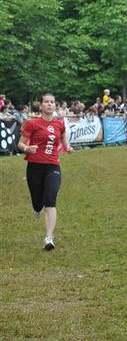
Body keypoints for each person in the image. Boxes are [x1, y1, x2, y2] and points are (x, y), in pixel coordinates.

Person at [18, 92, 72, 250]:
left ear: (55, 105)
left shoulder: (59, 124)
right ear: (41, 105)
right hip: (34, 166)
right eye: (46, 102)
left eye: (52, 102)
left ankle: (49, 238)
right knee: (37, 203)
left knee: (50, 200)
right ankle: (37, 207)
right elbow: (20, 144)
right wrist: (28, 148)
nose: (49, 104)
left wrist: (67, 146)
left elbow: (63, 135)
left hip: (52, 166)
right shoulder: (32, 123)